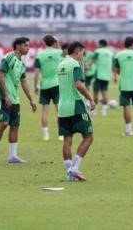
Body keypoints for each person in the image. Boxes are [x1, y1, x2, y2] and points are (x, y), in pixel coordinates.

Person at [0, 37, 37, 165]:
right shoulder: (8, 57)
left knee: (15, 126)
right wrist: (7, 95)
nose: (28, 47)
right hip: (3, 98)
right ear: (18, 46)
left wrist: (31, 99)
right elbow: (0, 76)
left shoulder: (22, 63)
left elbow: (24, 81)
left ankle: (13, 156)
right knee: (3, 124)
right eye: (26, 45)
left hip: (16, 100)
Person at [57, 41, 96, 182]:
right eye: (83, 53)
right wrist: (90, 99)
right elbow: (78, 84)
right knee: (89, 136)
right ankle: (74, 168)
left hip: (62, 107)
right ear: (78, 51)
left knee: (67, 139)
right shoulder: (75, 64)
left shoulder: (61, 64)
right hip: (76, 105)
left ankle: (69, 173)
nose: (83, 56)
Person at [34, 34, 62, 141]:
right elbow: (62, 52)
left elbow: (36, 72)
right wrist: (57, 42)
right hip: (57, 84)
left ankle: (46, 135)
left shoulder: (40, 55)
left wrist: (35, 85)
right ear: (54, 42)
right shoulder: (59, 53)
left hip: (45, 85)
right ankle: (61, 134)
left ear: (44, 43)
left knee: (45, 110)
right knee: (59, 110)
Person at [114, 36, 133, 136]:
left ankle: (129, 130)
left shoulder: (119, 55)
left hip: (124, 85)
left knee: (126, 107)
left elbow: (116, 70)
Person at [92, 39, 114, 117]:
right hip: (107, 76)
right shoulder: (111, 53)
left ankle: (94, 111)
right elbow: (113, 65)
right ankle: (104, 112)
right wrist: (115, 76)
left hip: (98, 75)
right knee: (105, 95)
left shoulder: (98, 51)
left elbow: (93, 60)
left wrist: (87, 66)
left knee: (95, 95)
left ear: (100, 44)